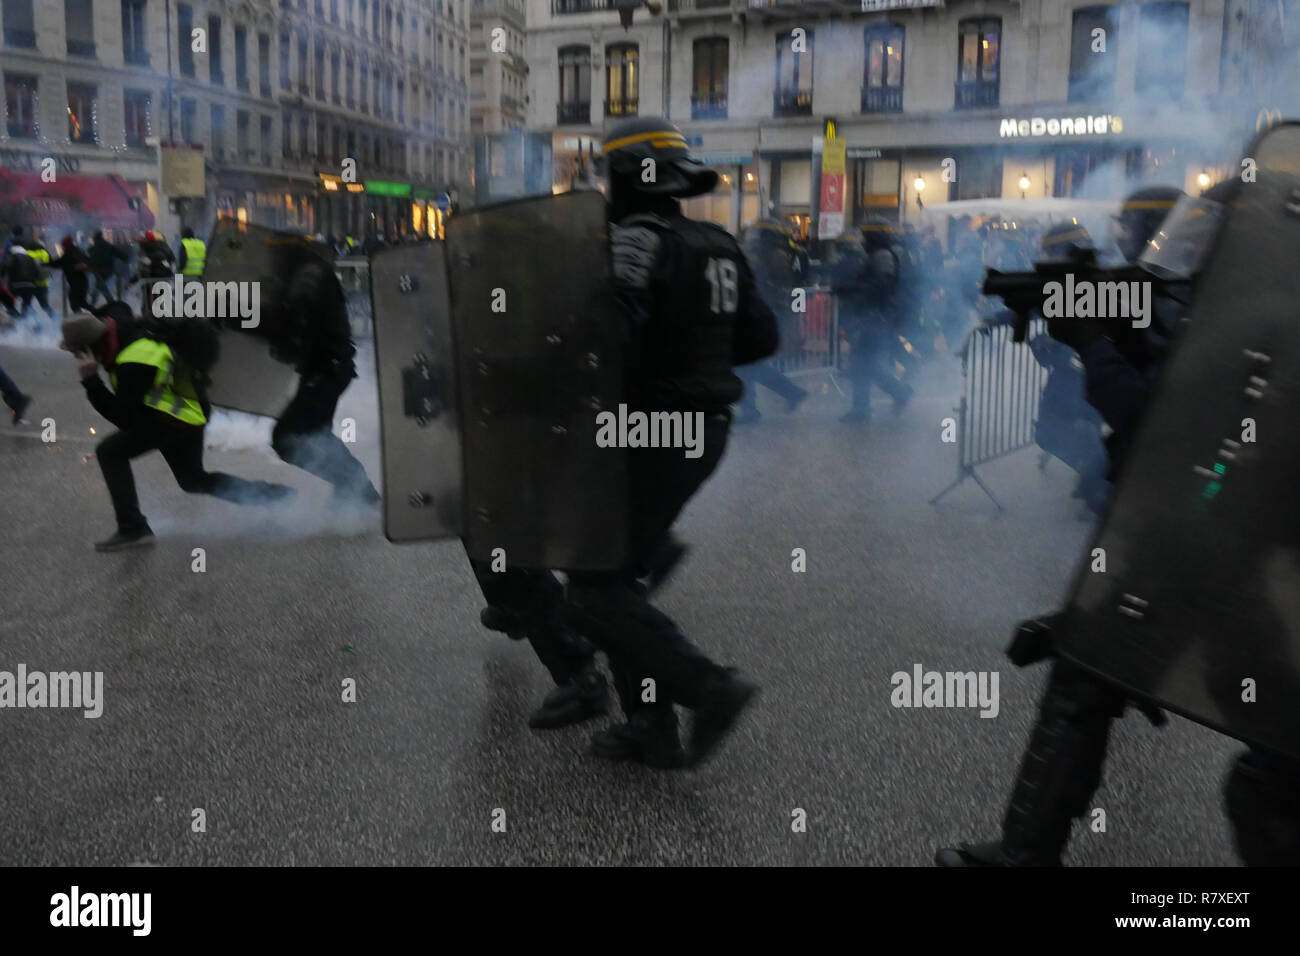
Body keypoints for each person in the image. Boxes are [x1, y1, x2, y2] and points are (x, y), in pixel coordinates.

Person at [935, 183, 1300, 866]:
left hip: (1220, 535)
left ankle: (1026, 854)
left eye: (1201, 235)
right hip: (1217, 538)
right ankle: (1026, 851)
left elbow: (1157, 425)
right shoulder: (1252, 305)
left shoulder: (1255, 316)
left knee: (1257, 749)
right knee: (1118, 677)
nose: (1181, 250)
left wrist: (1094, 344)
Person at [562, 116, 778, 770]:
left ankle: (708, 688)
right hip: (704, 429)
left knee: (594, 589)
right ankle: (649, 727)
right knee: (615, 577)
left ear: (623, 178)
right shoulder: (717, 241)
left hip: (651, 428)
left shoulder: (634, 241)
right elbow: (760, 340)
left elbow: (609, 344)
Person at [60, 306, 294, 552]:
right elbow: (119, 307)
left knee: (109, 452)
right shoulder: (120, 329)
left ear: (89, 347)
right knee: (193, 480)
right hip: (188, 409)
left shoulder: (134, 362)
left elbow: (126, 420)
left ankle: (133, 528)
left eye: (76, 352)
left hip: (174, 417)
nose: (76, 357)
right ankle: (276, 496)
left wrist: (91, 382)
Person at [265, 238, 381, 505]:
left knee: (287, 437)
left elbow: (290, 325)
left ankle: (357, 487)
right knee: (317, 433)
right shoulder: (310, 274)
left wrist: (240, 318)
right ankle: (355, 488)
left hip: (326, 370)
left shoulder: (306, 279)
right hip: (330, 368)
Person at [835, 220, 913, 423]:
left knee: (861, 362)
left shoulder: (882, 255)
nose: (862, 241)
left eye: (865, 237)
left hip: (877, 315)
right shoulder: (876, 254)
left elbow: (882, 284)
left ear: (874, 237)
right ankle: (891, 395)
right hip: (873, 315)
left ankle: (868, 406)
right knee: (863, 363)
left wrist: (851, 288)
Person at [734, 219, 809, 424]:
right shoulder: (766, 254)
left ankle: (758, 406)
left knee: (750, 365)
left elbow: (778, 287)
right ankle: (781, 397)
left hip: (763, 314)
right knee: (750, 365)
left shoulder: (777, 256)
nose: (754, 238)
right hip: (757, 312)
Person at [48, 236, 92, 314]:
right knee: (80, 303)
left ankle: (94, 315)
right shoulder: (78, 252)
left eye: (63, 246)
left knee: (76, 303)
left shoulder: (68, 255)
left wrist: (43, 264)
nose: (63, 248)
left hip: (76, 283)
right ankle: (87, 316)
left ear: (66, 246)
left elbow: (56, 263)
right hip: (82, 282)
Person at [87, 231, 128, 306]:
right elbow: (120, 254)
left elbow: (90, 259)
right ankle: (94, 301)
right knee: (99, 286)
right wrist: (125, 258)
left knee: (100, 286)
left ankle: (111, 303)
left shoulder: (92, 249)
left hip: (98, 271)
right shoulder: (108, 246)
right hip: (109, 270)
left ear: (95, 239)